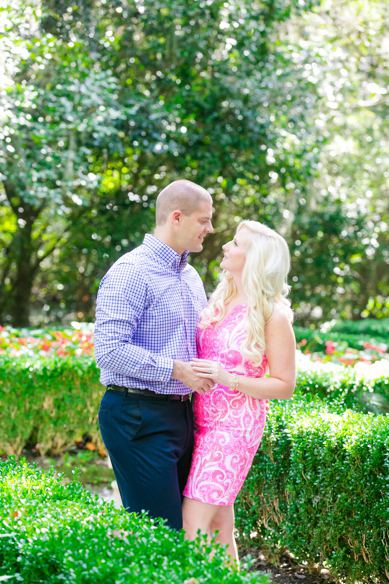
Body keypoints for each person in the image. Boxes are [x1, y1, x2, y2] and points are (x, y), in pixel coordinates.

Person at [94, 179, 214, 530]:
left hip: (183, 415)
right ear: (177, 217)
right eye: (203, 220)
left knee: (190, 531)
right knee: (161, 536)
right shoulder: (131, 272)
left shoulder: (191, 276)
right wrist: (177, 370)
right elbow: (109, 351)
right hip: (138, 416)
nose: (210, 228)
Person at [182, 220, 296, 565]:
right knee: (218, 524)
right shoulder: (221, 299)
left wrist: (226, 378)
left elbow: (284, 385)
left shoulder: (273, 315)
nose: (226, 247)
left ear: (255, 258)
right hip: (199, 420)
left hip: (234, 429)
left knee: (193, 521)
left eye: (235, 243)